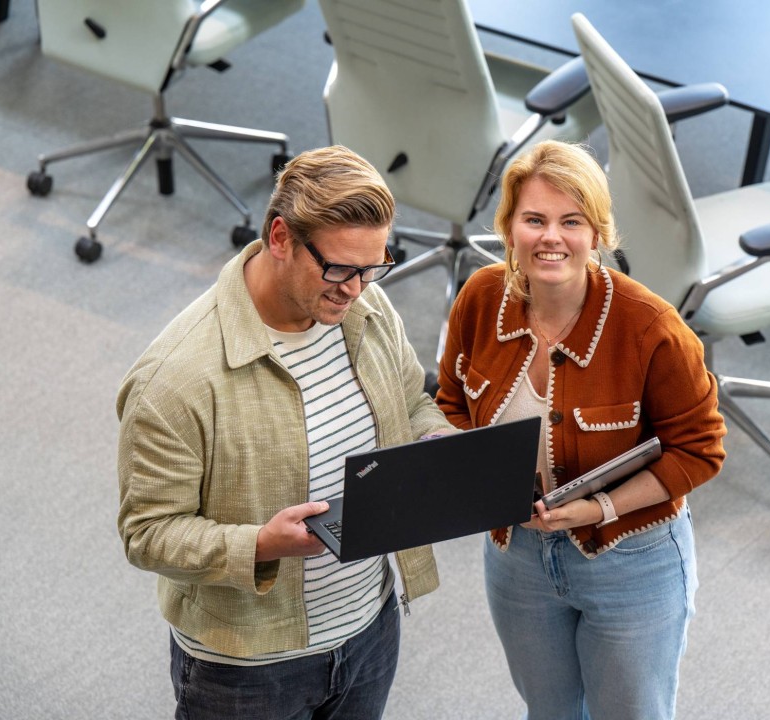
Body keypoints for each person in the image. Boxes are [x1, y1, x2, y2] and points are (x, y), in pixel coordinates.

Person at [117, 145, 454, 720]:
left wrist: (434, 442)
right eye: (340, 268)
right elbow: (147, 534)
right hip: (246, 670)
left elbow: (411, 402)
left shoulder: (367, 307)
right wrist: (262, 545)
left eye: (374, 267)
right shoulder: (174, 380)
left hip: (368, 628)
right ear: (280, 238)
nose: (355, 288)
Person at [435, 140, 727, 720]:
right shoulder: (479, 298)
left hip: (630, 557)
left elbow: (700, 451)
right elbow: (450, 404)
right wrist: (469, 478)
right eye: (534, 219)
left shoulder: (651, 329)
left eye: (572, 222)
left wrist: (598, 510)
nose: (551, 237)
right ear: (509, 228)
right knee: (550, 712)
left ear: (597, 234)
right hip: (515, 551)